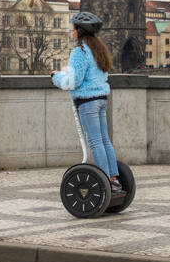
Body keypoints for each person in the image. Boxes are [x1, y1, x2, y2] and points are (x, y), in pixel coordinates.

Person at [51, 11, 120, 190]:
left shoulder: (79, 51)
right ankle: (113, 178)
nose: (72, 32)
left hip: (87, 101)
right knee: (105, 140)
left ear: (79, 31)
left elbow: (73, 82)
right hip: (102, 99)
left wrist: (56, 77)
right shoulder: (99, 49)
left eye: (74, 29)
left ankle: (106, 181)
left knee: (95, 142)